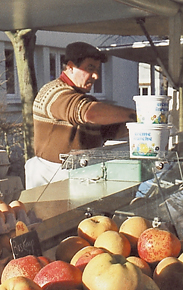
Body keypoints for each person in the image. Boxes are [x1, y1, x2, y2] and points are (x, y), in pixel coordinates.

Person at [25, 41, 137, 189]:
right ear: (70, 67)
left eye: (98, 69)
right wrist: (138, 115)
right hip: (49, 181)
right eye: (90, 68)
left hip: (81, 177)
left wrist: (148, 128)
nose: (96, 76)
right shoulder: (53, 93)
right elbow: (87, 113)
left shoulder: (87, 100)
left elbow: (112, 131)